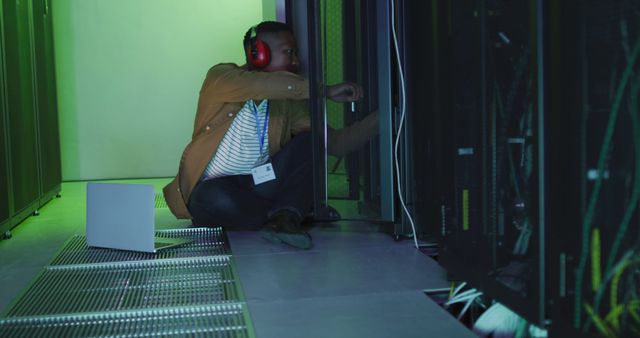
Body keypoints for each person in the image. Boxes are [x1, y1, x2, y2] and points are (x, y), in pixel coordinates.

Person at [163, 21, 378, 249]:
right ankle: (290, 212)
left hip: (258, 181)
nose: (295, 61)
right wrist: (323, 90)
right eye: (289, 52)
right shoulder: (221, 77)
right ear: (259, 54)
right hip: (216, 185)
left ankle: (285, 215)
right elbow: (260, 84)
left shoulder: (288, 102)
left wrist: (384, 117)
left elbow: (333, 144)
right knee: (211, 198)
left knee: (309, 141)